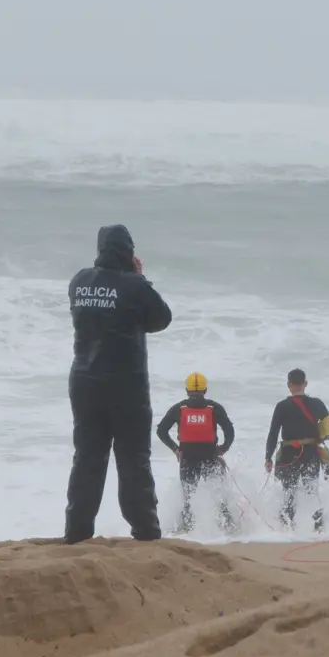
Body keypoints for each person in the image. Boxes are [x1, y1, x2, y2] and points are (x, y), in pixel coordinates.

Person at [64, 224, 173, 544]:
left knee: (87, 458)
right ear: (128, 250)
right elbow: (161, 319)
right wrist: (139, 278)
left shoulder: (79, 281)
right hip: (126, 386)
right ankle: (146, 531)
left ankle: (77, 532)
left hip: (84, 382)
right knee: (133, 458)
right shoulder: (133, 285)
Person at [155, 372, 236, 533]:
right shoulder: (214, 407)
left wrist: (175, 449)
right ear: (205, 390)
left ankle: (185, 529)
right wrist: (223, 448)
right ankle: (228, 527)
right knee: (219, 494)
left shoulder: (179, 408)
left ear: (187, 390)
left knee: (187, 497)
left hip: (188, 458)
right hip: (211, 457)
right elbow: (229, 430)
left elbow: (161, 430)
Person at [264, 368, 329, 532]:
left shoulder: (282, 406)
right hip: (311, 453)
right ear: (305, 384)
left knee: (289, 490)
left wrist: (268, 457)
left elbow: (273, 433)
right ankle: (319, 527)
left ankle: (288, 528)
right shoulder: (317, 403)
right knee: (311, 489)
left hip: (289, 455)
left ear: (289, 385)